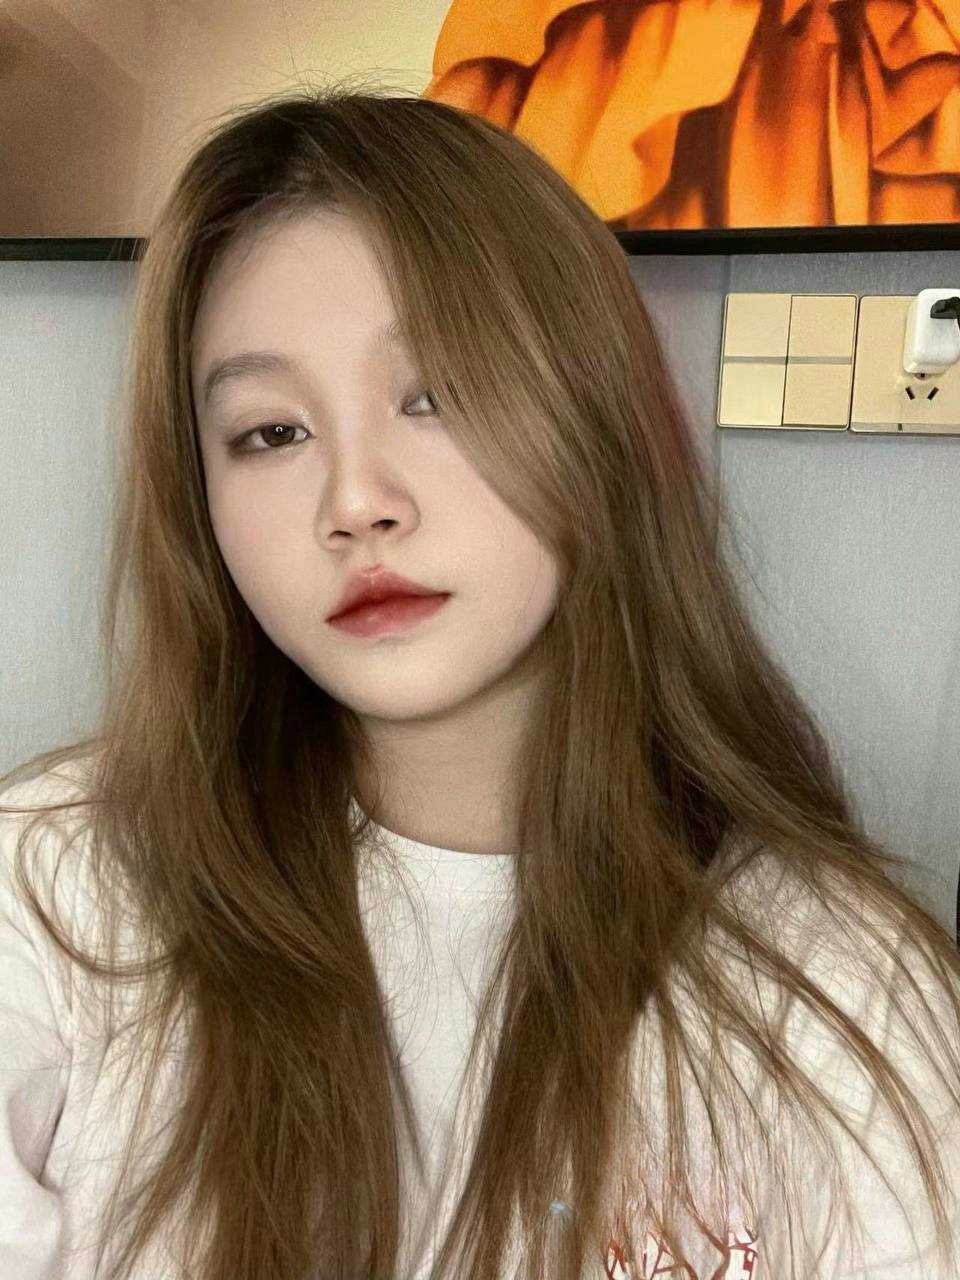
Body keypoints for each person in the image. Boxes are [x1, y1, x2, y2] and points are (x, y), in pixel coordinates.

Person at [1, 79, 959, 1280]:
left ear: (593, 411)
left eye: (435, 393)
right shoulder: (55, 892)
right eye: (270, 432)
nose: (358, 502)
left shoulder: (837, 990)